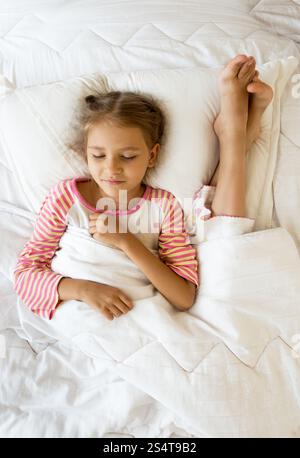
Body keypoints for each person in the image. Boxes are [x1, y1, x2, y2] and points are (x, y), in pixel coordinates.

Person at [13, 91, 199, 321]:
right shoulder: (66, 198)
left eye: (128, 156)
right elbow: (25, 276)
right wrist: (83, 289)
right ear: (85, 154)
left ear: (152, 156)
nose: (111, 169)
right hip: (77, 317)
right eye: (99, 156)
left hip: (141, 318)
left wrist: (126, 241)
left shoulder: (164, 206)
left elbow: (184, 297)